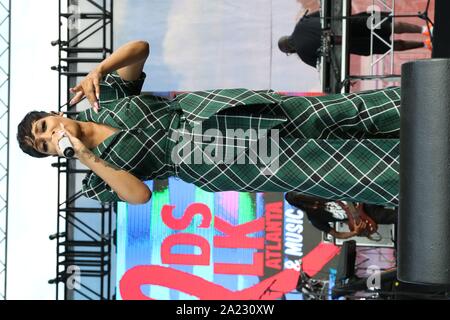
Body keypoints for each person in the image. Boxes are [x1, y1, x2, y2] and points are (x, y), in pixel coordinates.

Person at [17, 40, 401, 206]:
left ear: (53, 114)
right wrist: (88, 156)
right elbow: (140, 195)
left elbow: (141, 50)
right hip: (211, 158)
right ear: (54, 153)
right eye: (45, 145)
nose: (50, 136)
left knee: (334, 114)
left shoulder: (105, 98)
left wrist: (101, 67)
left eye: (44, 127)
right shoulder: (94, 179)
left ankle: (418, 109)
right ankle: (422, 174)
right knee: (325, 167)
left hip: (222, 112)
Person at [278, 9, 432, 68]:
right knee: (388, 24)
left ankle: (425, 45)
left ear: (289, 50)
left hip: (354, 45)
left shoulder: (304, 55)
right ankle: (425, 29)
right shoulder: (301, 23)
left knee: (389, 45)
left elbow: (325, 66)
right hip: (351, 22)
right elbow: (325, 14)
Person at [284, 192, 397, 239]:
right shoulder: (314, 219)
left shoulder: (317, 191)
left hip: (364, 197)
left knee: (397, 195)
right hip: (365, 216)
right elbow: (336, 234)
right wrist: (354, 232)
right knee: (397, 217)